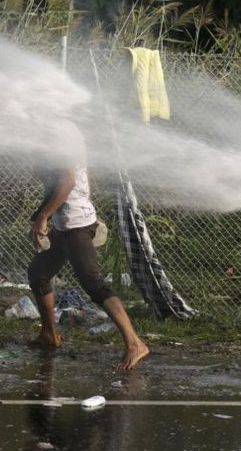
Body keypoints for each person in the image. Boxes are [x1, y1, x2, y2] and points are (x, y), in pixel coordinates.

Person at [27, 125, 149, 370]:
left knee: (93, 284)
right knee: (39, 274)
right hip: (66, 224)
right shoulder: (66, 130)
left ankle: (135, 343)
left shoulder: (59, 133)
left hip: (76, 225)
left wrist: (43, 217)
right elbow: (78, 176)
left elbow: (68, 181)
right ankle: (49, 335)